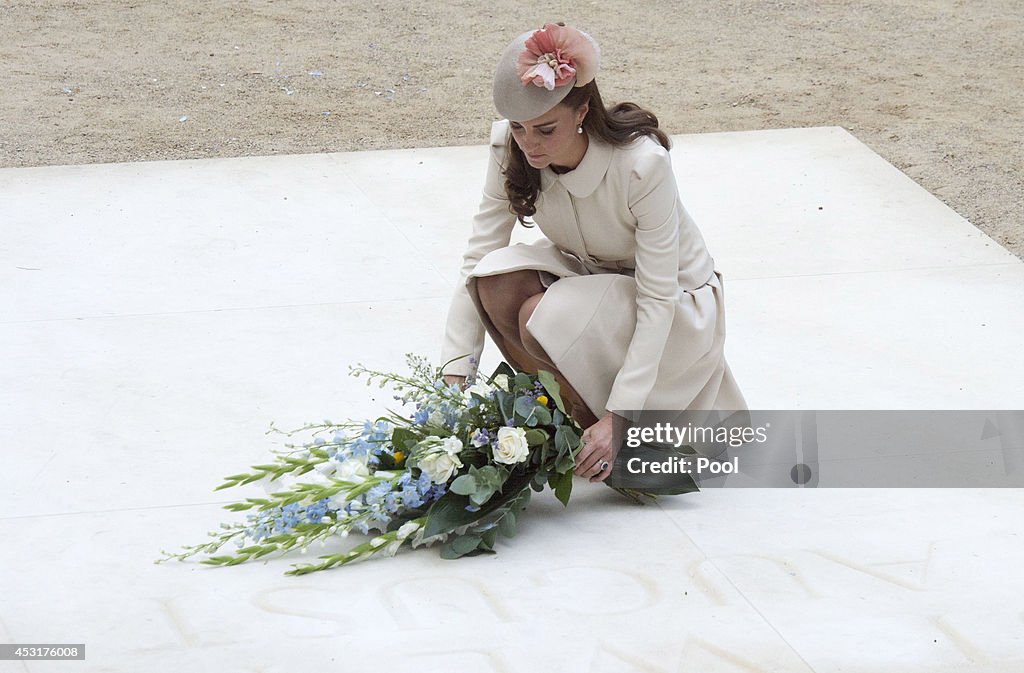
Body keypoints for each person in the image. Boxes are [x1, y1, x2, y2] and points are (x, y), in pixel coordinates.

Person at [439, 22, 746, 485]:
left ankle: (615, 439)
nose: (529, 144)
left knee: (543, 315)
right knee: (493, 281)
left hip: (675, 305)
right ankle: (571, 427)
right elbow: (478, 255)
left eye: (545, 128)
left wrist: (620, 417)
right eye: (520, 128)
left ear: (582, 110)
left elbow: (658, 297)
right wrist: (452, 381)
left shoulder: (643, 164)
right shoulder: (509, 145)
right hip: (592, 281)